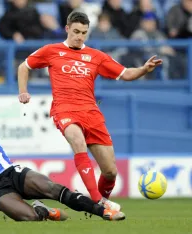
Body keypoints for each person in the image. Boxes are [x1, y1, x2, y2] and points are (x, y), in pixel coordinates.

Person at [0, 40, 125, 223]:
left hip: (12, 172)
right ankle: (42, 211)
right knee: (30, 218)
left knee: (55, 190)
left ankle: (103, 212)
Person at [18, 11, 162, 211]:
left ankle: (100, 202)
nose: (79, 36)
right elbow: (23, 67)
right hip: (65, 109)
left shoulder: (96, 56)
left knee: (110, 171)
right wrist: (23, 91)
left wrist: (144, 70)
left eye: (84, 33)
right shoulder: (51, 50)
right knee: (78, 141)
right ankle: (98, 202)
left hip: (91, 113)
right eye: (76, 31)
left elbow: (126, 74)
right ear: (67, 29)